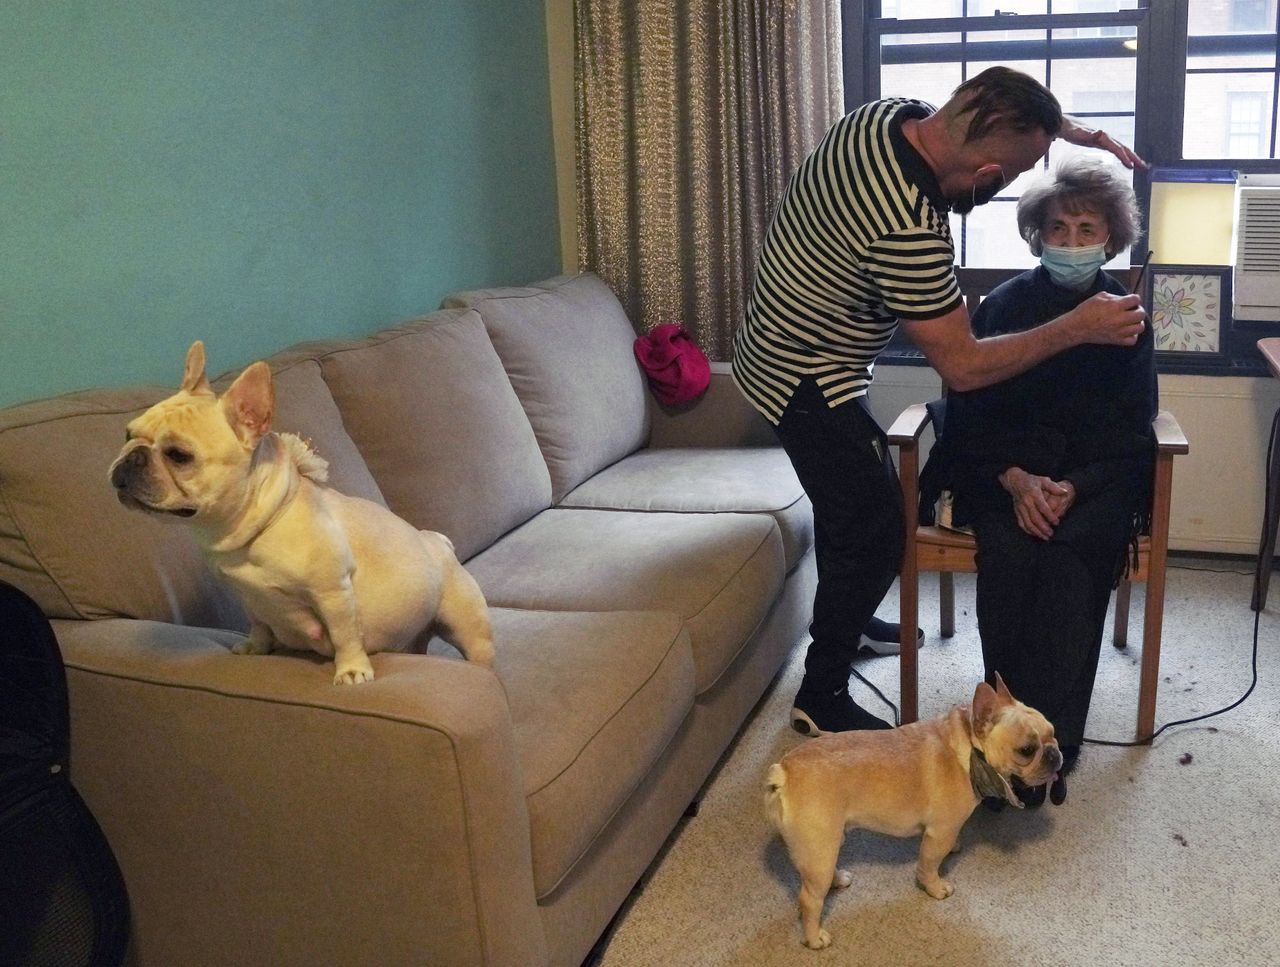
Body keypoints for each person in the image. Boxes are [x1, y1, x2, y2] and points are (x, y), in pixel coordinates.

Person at [731, 66, 1148, 736]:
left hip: (785, 337)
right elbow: (963, 367)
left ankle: (850, 614)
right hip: (801, 370)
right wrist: (1075, 327)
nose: (1004, 183)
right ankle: (821, 693)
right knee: (876, 528)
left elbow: (997, 107)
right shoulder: (906, 224)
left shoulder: (885, 116)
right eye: (1010, 174)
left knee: (850, 509)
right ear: (988, 170)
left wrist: (1069, 131)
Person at [922, 156, 1156, 804]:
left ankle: (1052, 747)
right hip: (1004, 474)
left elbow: (1134, 432)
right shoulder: (1003, 306)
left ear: (1110, 237)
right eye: (1060, 228)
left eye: (1088, 229)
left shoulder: (1127, 317)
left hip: (1093, 483)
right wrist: (1018, 480)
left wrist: (1072, 487)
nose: (1074, 242)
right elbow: (969, 411)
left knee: (1071, 566)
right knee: (1011, 558)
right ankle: (1000, 737)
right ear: (1037, 235)